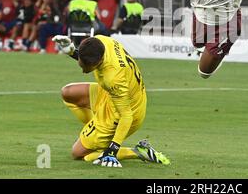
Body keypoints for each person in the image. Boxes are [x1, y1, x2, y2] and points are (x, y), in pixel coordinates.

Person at [51, 34, 170, 167]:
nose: (84, 71)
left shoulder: (113, 77)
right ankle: (94, 129)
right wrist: (72, 51)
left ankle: (138, 151)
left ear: (98, 63)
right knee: (68, 93)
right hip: (114, 94)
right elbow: (88, 56)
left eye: (86, 67)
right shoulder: (100, 41)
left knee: (78, 153)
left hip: (125, 112)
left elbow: (126, 116)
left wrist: (113, 150)